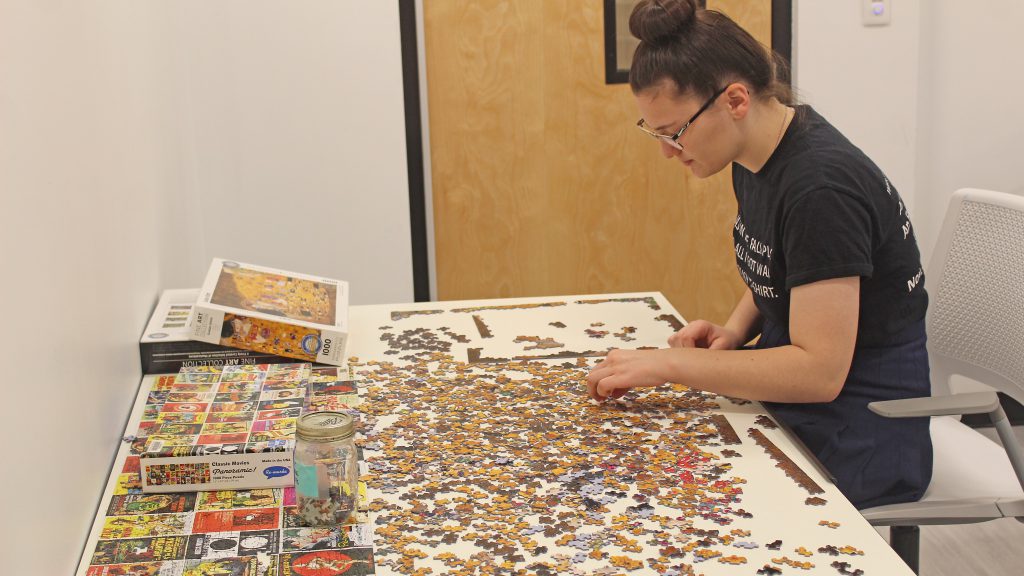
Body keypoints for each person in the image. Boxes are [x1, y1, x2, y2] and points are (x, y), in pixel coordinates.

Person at [585, 0, 931, 509]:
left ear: (736, 100)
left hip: (864, 432)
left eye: (674, 132)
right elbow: (784, 266)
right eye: (653, 133)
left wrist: (670, 365)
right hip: (802, 407)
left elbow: (819, 372)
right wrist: (735, 328)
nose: (666, 152)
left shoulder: (821, 189)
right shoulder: (756, 154)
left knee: (665, 493)